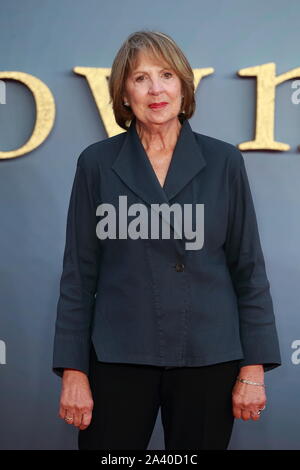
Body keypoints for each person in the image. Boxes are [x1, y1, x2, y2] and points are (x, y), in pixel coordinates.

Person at [52, 30, 282, 450]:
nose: (155, 89)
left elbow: (248, 268)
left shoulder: (223, 160)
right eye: (140, 78)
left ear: (183, 86)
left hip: (209, 358)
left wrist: (253, 367)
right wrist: (74, 370)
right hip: (118, 358)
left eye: (166, 75)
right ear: (124, 92)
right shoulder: (96, 164)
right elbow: (78, 277)